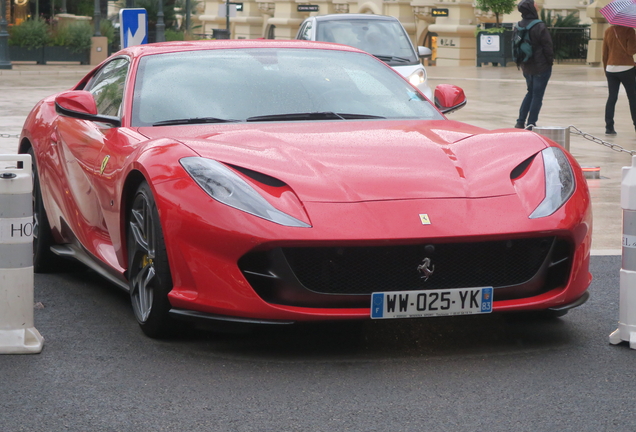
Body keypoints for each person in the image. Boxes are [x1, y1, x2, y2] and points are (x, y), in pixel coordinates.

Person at [514, 0, 554, 130]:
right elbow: (547, 46)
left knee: (530, 92)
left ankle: (520, 121)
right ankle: (531, 123)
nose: (537, 6)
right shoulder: (539, 26)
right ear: (531, 8)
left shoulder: (518, 25)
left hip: (526, 65)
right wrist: (549, 62)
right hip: (541, 66)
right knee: (537, 95)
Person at [602, 25, 636, 136]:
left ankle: (609, 127)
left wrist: (606, 70)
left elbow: (604, 53)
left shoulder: (608, 30)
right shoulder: (629, 30)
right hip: (626, 68)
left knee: (612, 97)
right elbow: (631, 51)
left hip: (610, 68)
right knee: (632, 97)